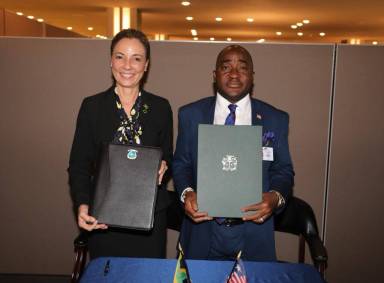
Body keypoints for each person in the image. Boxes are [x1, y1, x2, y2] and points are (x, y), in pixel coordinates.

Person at [172, 45, 294, 261]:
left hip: (253, 233)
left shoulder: (275, 118)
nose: (234, 74)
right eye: (226, 67)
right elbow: (181, 164)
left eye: (242, 68)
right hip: (202, 230)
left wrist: (275, 198)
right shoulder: (190, 115)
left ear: (252, 76)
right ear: (215, 75)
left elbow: (283, 170)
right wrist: (187, 193)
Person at [68, 29, 173, 259]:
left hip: (150, 217)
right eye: (120, 56)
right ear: (110, 61)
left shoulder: (161, 107)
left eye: (136, 58)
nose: (127, 65)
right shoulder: (92, 107)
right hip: (105, 217)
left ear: (146, 65)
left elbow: (168, 156)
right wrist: (83, 204)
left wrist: (164, 165)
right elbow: (78, 164)